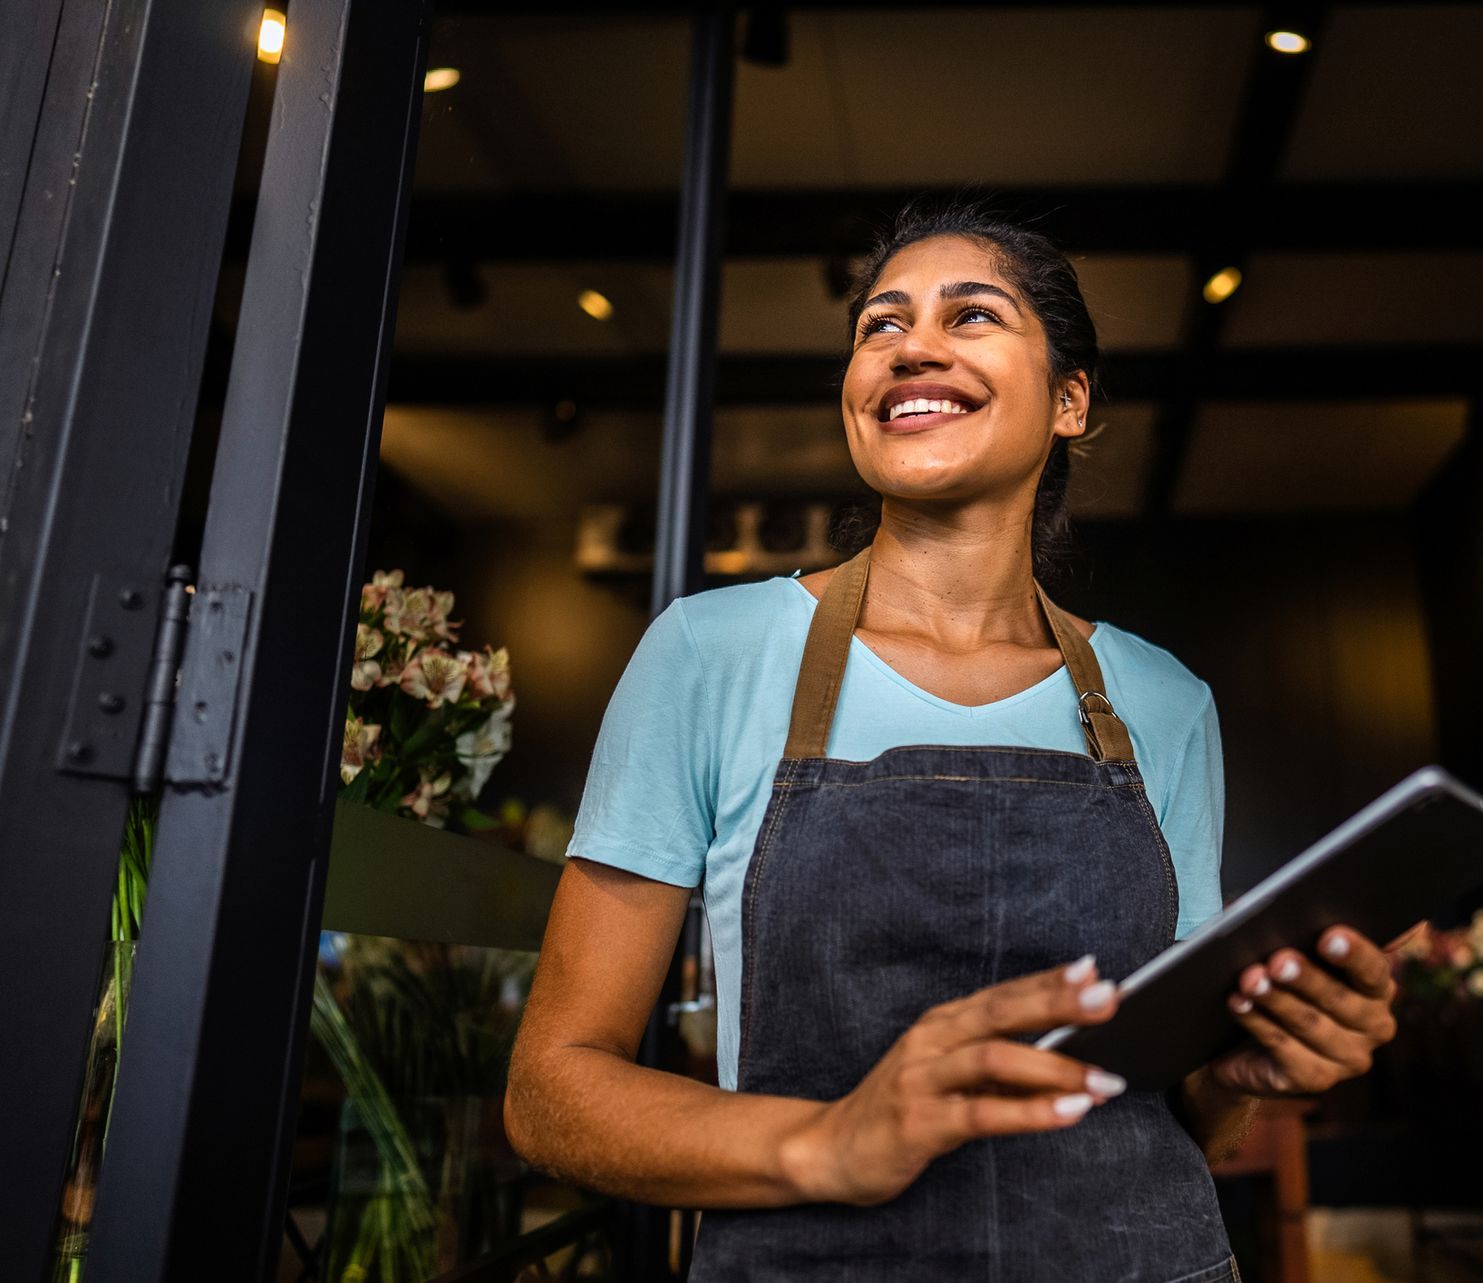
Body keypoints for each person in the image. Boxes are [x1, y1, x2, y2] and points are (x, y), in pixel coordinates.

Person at [504, 200, 1404, 1281]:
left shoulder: (1164, 703)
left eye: (971, 315)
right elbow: (549, 1089)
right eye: (879, 325)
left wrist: (1253, 1071)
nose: (910, 346)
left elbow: (1190, 1123)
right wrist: (825, 1142)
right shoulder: (709, 652)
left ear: (1071, 399)